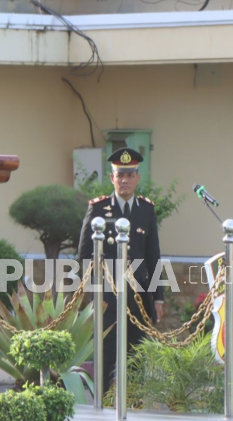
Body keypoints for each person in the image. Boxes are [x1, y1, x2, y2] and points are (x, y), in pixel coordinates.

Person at [78, 147, 164, 394]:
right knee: (106, 353)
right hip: (107, 296)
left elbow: (153, 255)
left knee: (137, 353)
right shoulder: (98, 209)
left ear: (137, 178)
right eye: (119, 175)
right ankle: (104, 403)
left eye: (129, 175)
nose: (124, 180)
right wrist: (93, 292)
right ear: (112, 178)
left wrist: (157, 296)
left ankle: (134, 404)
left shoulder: (146, 210)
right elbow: (84, 254)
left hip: (139, 296)